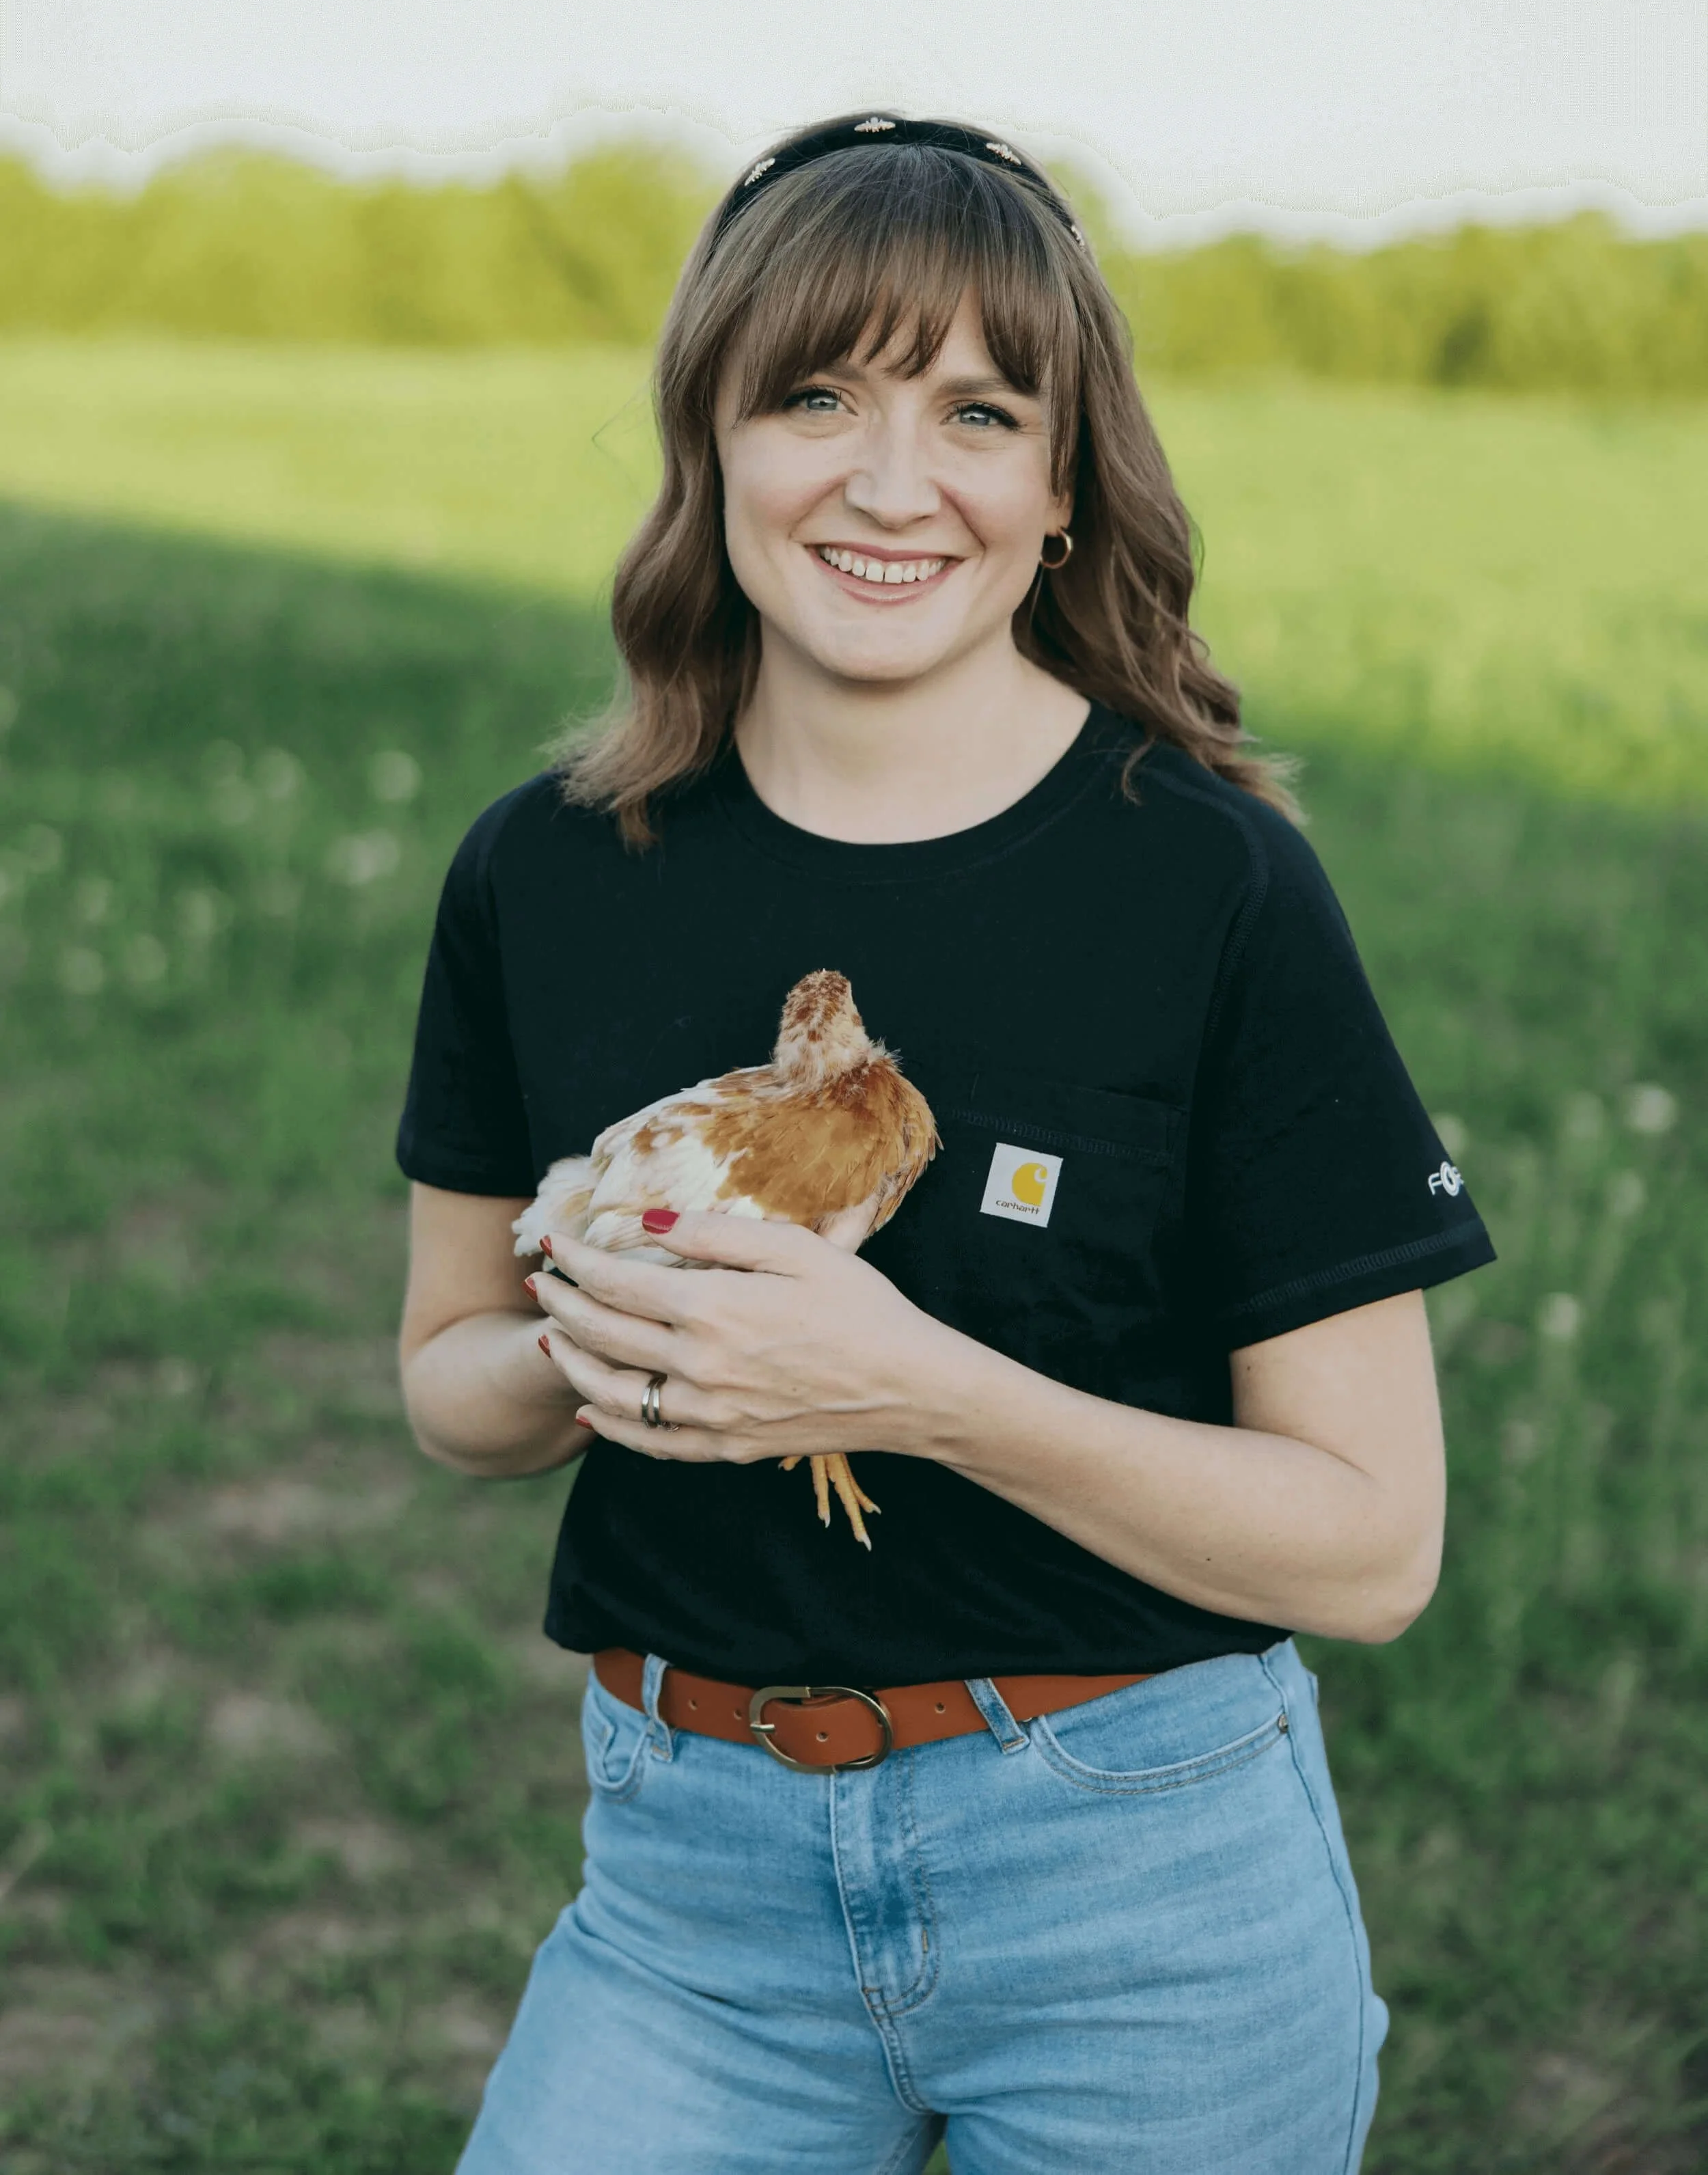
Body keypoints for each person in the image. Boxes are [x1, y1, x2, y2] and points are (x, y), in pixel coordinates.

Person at [395, 113, 1495, 2175]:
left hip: (1135, 1884)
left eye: (976, 409)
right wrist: (612, 1342)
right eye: (813, 395)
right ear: (709, 438)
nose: (890, 482)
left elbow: (1371, 1545)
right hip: (688, 1891)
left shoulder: (1211, 889)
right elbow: (451, 1380)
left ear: (1060, 485)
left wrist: (909, 1387)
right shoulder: (543, 873)